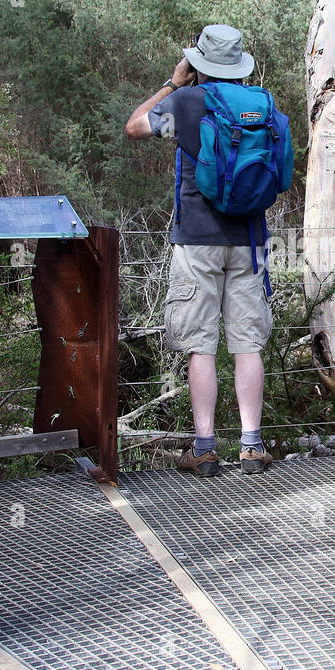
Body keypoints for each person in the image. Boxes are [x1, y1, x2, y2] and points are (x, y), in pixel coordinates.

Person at [124, 25, 274, 477]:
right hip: (250, 240)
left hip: (197, 240)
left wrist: (173, 82)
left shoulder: (188, 104)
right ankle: (252, 445)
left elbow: (134, 126)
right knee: (248, 343)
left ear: (201, 64)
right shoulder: (259, 104)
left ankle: (205, 448)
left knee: (201, 346)